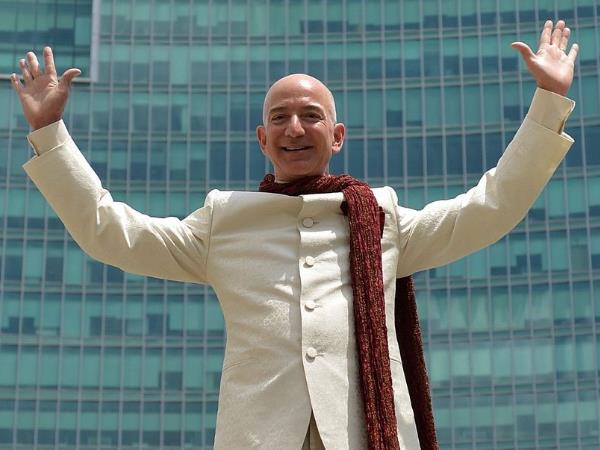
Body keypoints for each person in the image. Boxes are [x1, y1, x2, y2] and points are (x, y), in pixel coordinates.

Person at [11, 20, 578, 450]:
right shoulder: (224, 219)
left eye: (310, 115)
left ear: (337, 135)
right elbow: (111, 231)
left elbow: (489, 207)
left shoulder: (381, 217)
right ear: (262, 139)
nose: (295, 127)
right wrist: (49, 133)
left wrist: (549, 103)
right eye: (279, 117)